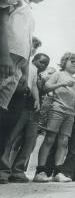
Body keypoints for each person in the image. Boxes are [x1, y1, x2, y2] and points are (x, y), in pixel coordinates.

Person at [0, 0, 53, 156]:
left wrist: (23, 72)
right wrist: (4, 55)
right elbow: (3, 22)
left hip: (18, 64)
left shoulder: (29, 9)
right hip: (6, 58)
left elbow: (27, 44)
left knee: (4, 113)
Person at [0, 53, 49, 183]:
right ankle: (3, 171)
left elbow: (35, 87)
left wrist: (37, 100)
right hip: (21, 106)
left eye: (46, 64)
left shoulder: (40, 76)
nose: (43, 65)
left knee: (29, 142)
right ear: (34, 59)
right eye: (41, 62)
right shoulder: (26, 66)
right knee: (10, 138)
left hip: (34, 111)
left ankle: (18, 171)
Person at [33, 52, 75, 183]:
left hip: (70, 113)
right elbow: (46, 86)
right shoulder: (58, 74)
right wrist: (62, 84)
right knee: (49, 139)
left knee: (64, 142)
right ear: (64, 61)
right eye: (72, 61)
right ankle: (40, 172)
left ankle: (58, 173)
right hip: (57, 109)